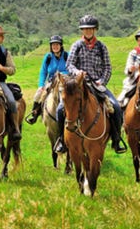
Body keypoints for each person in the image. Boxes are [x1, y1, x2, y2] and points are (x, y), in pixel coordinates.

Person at [53, 15, 127, 154]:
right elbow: (70, 64)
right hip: (78, 84)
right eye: (85, 29)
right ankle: (61, 140)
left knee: (116, 107)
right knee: (59, 109)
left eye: (90, 29)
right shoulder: (77, 45)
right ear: (82, 31)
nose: (87, 32)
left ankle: (117, 140)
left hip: (97, 84)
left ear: (95, 30)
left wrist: (102, 81)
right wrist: (77, 73)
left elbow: (108, 68)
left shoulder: (101, 47)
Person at [25, 35, 68, 124]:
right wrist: (41, 85)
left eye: (57, 44)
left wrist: (63, 75)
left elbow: (70, 68)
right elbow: (43, 72)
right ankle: (35, 114)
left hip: (65, 81)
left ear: (61, 45)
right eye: (53, 45)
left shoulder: (67, 56)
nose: (55, 47)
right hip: (52, 81)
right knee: (38, 94)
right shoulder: (48, 57)